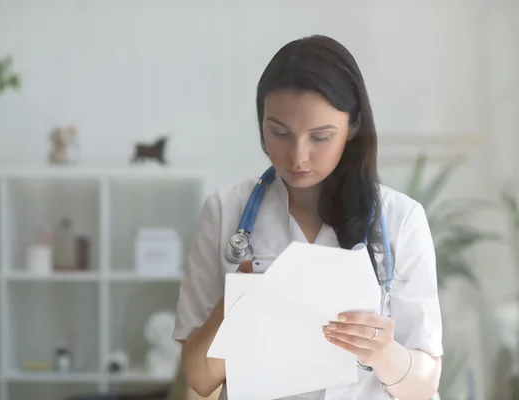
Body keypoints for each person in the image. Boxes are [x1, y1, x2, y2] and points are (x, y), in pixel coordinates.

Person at [172, 34, 443, 400]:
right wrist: (232, 313)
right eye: (279, 132)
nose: (297, 157)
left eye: (320, 136)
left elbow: (423, 387)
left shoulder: (402, 220)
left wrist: (385, 354)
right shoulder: (225, 211)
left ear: (354, 126)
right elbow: (199, 378)